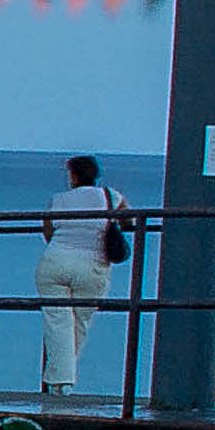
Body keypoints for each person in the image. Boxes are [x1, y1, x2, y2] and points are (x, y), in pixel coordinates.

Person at [40, 152, 135, 395]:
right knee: (79, 322)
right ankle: (64, 384)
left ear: (73, 175)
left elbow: (48, 231)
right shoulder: (110, 196)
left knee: (57, 321)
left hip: (56, 261)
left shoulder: (58, 199)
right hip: (92, 265)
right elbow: (129, 220)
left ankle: (58, 381)